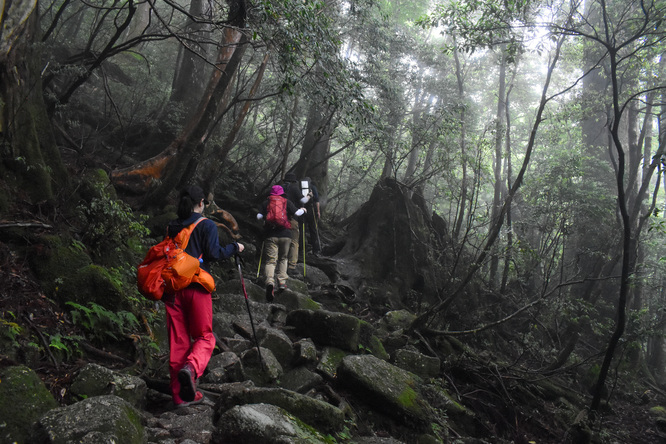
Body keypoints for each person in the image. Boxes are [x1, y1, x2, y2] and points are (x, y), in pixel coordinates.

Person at [164, 185, 244, 408]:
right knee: (205, 337)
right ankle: (191, 369)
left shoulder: (172, 225)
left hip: (173, 289)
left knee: (178, 342)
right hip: (197, 287)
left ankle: (181, 397)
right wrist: (235, 247)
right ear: (201, 203)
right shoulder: (206, 225)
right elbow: (214, 253)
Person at [257, 185, 305, 301]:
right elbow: (297, 213)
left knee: (271, 260)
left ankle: (269, 281)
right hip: (286, 236)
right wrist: (303, 209)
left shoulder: (266, 202)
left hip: (270, 235)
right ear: (282, 193)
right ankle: (282, 282)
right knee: (283, 258)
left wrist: (264, 218)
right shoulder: (286, 202)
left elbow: (259, 216)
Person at [282, 173, 308, 274]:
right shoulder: (295, 188)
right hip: (292, 218)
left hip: (277, 218)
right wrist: (309, 195)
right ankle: (292, 266)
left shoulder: (278, 188)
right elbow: (303, 200)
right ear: (294, 181)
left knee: (280, 239)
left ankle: (278, 262)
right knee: (294, 242)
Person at [301, 177, 322, 254]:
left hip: (302, 209)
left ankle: (302, 248)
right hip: (312, 210)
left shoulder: (300, 187)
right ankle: (315, 250)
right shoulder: (313, 187)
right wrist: (318, 211)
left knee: (303, 229)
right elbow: (317, 200)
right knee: (313, 229)